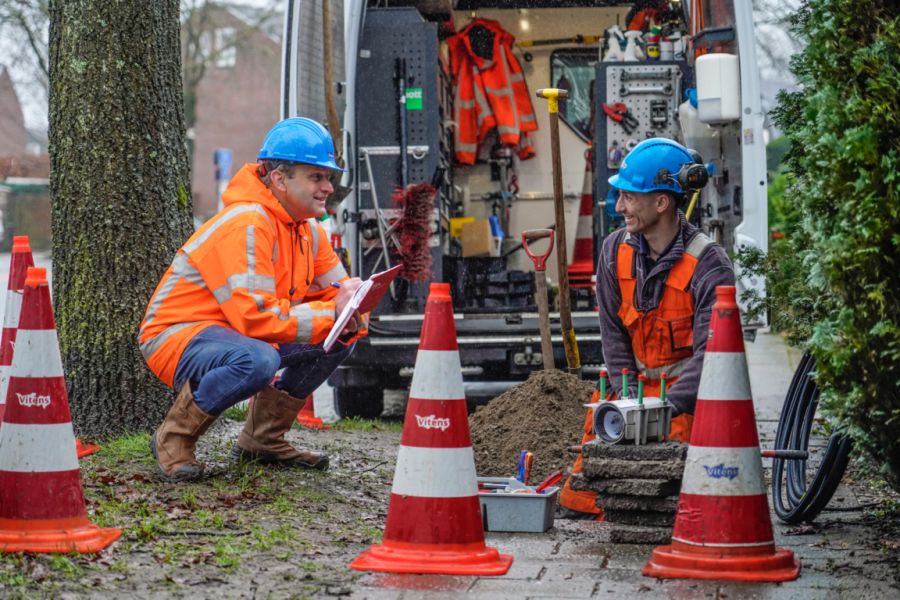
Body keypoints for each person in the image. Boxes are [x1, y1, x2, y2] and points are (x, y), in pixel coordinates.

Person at [139, 117, 367, 482]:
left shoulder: (308, 228)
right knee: (259, 358)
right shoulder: (248, 223)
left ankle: (262, 440)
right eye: (316, 177)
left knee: (340, 335)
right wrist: (335, 310)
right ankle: (174, 439)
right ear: (279, 179)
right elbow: (256, 319)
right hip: (176, 335)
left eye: (329, 177)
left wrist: (354, 304)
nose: (328, 187)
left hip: (234, 334)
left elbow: (338, 294)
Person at [559, 137, 736, 519]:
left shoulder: (709, 264)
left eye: (629, 197)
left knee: (673, 501)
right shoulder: (613, 251)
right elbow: (613, 336)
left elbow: (713, 357)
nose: (619, 206)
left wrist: (663, 410)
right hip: (631, 391)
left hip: (685, 401)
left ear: (662, 202)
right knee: (582, 500)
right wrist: (626, 402)